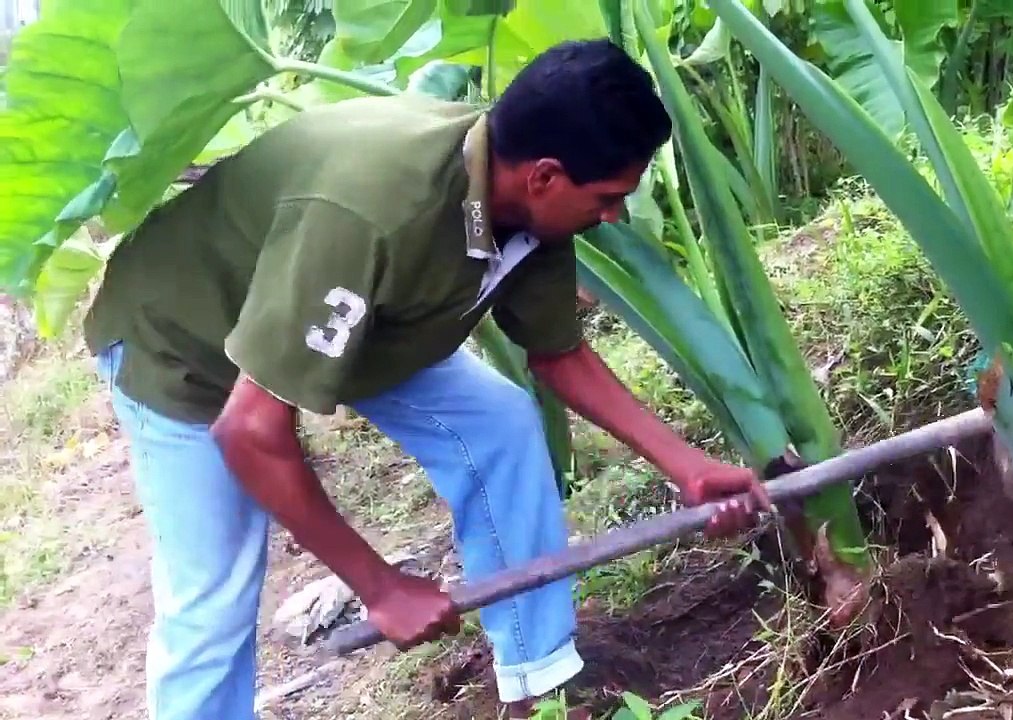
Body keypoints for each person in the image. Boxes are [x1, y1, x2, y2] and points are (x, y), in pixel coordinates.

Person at [83, 38, 771, 720]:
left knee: (500, 424)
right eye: (609, 196)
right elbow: (250, 431)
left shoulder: (522, 201)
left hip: (362, 325)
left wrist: (690, 467)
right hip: (184, 346)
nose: (615, 214)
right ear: (544, 177)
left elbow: (558, 355)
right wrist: (379, 586)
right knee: (213, 601)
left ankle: (539, 684)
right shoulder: (377, 210)